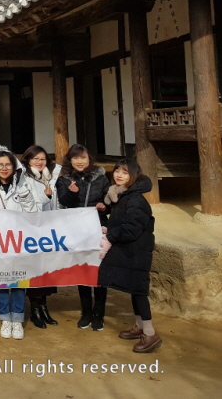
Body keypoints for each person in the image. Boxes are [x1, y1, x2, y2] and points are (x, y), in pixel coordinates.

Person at [98, 159, 161, 353]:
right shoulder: (122, 195)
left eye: (125, 172)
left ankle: (150, 333)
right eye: (117, 170)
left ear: (133, 176)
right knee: (134, 288)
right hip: (130, 250)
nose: (119, 175)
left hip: (137, 251)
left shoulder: (135, 199)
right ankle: (139, 326)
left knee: (139, 291)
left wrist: (110, 235)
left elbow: (131, 229)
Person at [0, 149, 35, 340]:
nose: (4, 168)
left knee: (19, 280)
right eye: (0, 165)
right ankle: (5, 318)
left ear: (14, 167)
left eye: (8, 164)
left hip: (18, 241)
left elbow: (33, 212)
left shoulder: (23, 185)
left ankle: (17, 318)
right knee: (0, 280)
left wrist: (24, 194)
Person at [55, 144, 110, 331]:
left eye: (83, 158)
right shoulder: (64, 179)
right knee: (83, 271)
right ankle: (86, 313)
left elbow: (108, 201)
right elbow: (63, 201)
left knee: (99, 272)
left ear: (89, 159)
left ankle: (99, 314)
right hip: (76, 231)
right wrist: (71, 192)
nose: (80, 161)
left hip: (97, 228)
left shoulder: (101, 178)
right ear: (70, 160)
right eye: (76, 158)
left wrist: (104, 206)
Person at [20, 145, 61, 329]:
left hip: (49, 229)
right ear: (28, 160)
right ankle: (34, 310)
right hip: (31, 230)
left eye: (42, 159)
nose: (39, 162)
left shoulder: (51, 177)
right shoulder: (24, 178)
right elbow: (27, 204)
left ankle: (44, 307)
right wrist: (45, 197)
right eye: (35, 158)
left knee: (47, 270)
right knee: (34, 271)